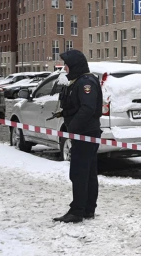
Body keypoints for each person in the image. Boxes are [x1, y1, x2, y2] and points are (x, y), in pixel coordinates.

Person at [53, 50, 103, 223]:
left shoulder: (85, 82)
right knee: (87, 173)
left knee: (79, 173)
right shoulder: (79, 81)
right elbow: (78, 105)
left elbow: (88, 108)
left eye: (66, 64)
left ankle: (77, 211)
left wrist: (72, 127)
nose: (64, 68)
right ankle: (87, 209)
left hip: (85, 133)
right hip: (86, 133)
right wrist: (64, 113)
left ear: (74, 65)